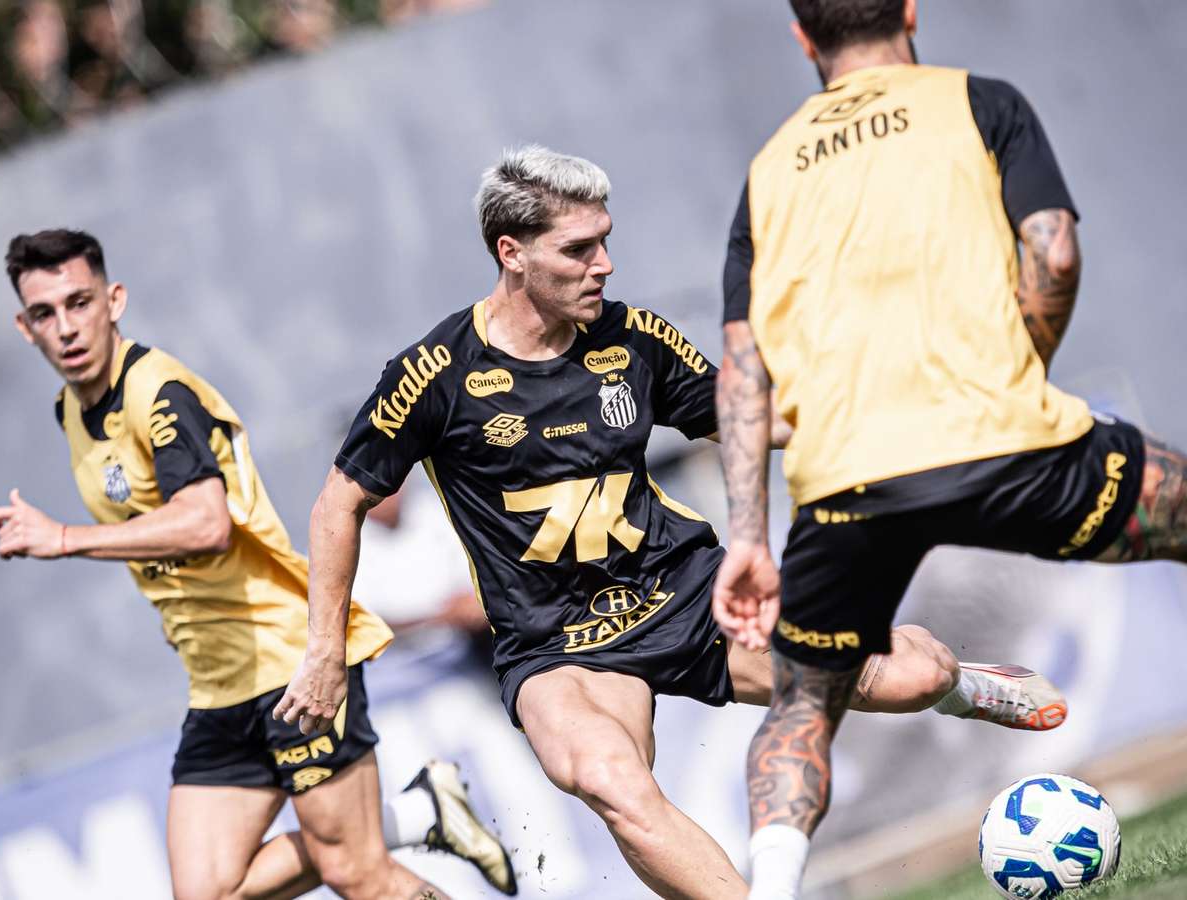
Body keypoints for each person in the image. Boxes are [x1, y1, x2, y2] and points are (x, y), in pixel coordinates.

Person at [273, 145, 1069, 899]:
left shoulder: (633, 339)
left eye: (605, 241)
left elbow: (745, 419)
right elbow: (338, 505)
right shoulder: (434, 374)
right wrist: (324, 653)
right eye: (578, 249)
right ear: (512, 253)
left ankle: (962, 685)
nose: (604, 265)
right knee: (610, 782)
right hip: (557, 648)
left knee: (910, 678)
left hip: (689, 595)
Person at [712, 2, 1187, 897]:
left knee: (803, 703)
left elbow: (743, 373)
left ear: (804, 37)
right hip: (1009, 442)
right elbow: (1054, 253)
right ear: (908, 9)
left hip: (849, 481)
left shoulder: (769, 171)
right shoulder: (978, 101)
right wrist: (1017, 372)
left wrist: (747, 534)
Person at [0, 229, 517, 900]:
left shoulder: (160, 395)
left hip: (289, 662)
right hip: (219, 683)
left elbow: (206, 522)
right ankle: (416, 816)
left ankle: (409, 819)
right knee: (207, 893)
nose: (66, 327)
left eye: (79, 302)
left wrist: (65, 538)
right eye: (45, 313)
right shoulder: (71, 410)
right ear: (26, 327)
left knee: (356, 872)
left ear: (113, 300)